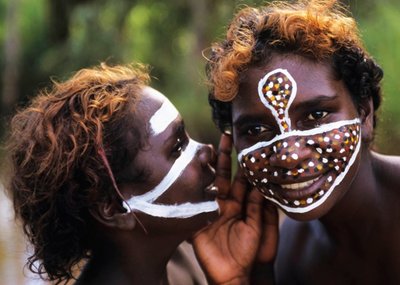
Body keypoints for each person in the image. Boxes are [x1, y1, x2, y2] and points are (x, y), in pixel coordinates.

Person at [5, 63, 273, 285]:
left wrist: (245, 276)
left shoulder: (187, 266)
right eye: (177, 148)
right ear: (114, 207)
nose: (207, 152)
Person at [205, 0, 400, 283]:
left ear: (364, 113)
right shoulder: (289, 255)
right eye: (257, 130)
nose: (289, 156)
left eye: (316, 115)